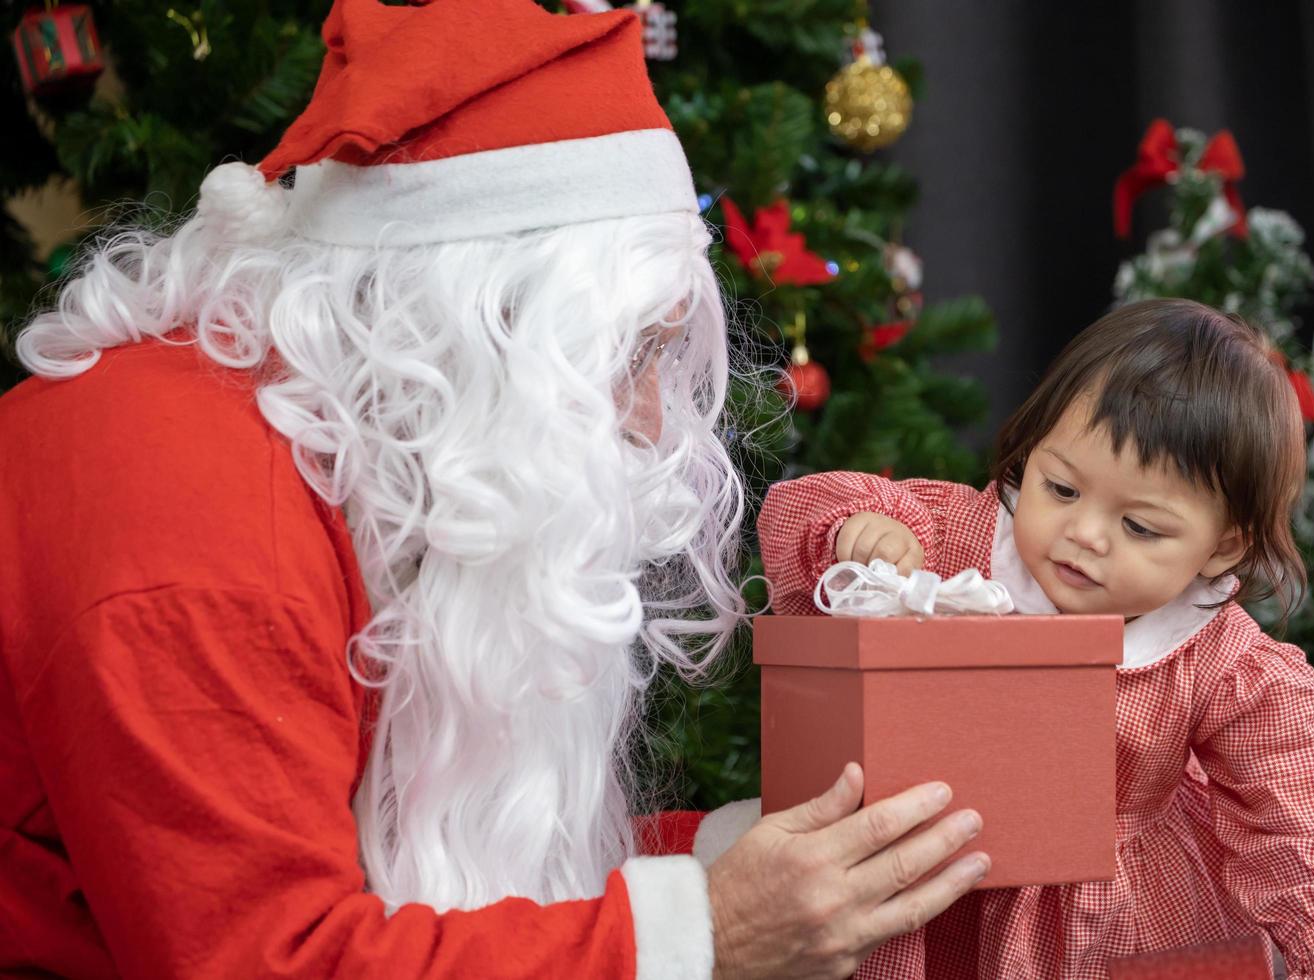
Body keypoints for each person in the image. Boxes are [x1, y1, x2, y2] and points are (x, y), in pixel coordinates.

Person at [0, 1, 989, 976]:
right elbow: (270, 956)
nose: (650, 419)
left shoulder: (338, 444)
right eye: (628, 353)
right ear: (476, 327)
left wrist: (747, 860)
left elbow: (432, 866)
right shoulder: (195, 522)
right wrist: (709, 933)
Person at [757, 299, 1314, 980]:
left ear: (1222, 548)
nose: (1085, 534)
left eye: (1141, 528)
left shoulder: (1222, 659)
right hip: (936, 883)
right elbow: (796, 511)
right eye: (1063, 488)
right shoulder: (960, 541)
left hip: (1114, 920)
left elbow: (1297, 809)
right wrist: (858, 531)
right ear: (1034, 449)